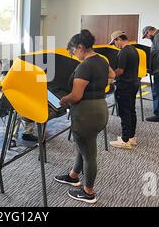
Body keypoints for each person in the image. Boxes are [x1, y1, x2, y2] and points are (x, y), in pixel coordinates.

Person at [54, 30, 115, 204]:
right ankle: (73, 176)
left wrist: (62, 100)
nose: (73, 55)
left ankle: (89, 192)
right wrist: (98, 84)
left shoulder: (85, 66)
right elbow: (112, 75)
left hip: (85, 114)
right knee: (85, 146)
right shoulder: (102, 60)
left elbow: (76, 96)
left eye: (73, 51)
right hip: (100, 109)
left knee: (89, 154)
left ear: (80, 47)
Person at [108, 31, 140, 149]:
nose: (115, 45)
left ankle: (125, 140)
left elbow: (120, 71)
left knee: (124, 112)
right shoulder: (133, 49)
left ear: (118, 39)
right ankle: (131, 137)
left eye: (114, 42)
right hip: (134, 83)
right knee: (131, 110)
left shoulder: (124, 51)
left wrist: (110, 74)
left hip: (125, 85)